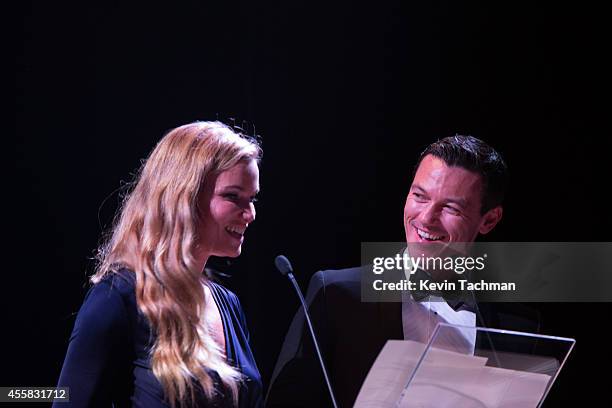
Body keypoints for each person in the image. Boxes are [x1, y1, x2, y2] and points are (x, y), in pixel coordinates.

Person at [266, 135, 540, 408]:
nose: (426, 218)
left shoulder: (517, 324)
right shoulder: (337, 295)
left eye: (450, 207)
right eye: (419, 196)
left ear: (489, 220)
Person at [55, 122, 264, 407]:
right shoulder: (119, 296)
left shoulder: (229, 305)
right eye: (232, 196)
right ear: (183, 197)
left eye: (252, 199)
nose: (249, 214)